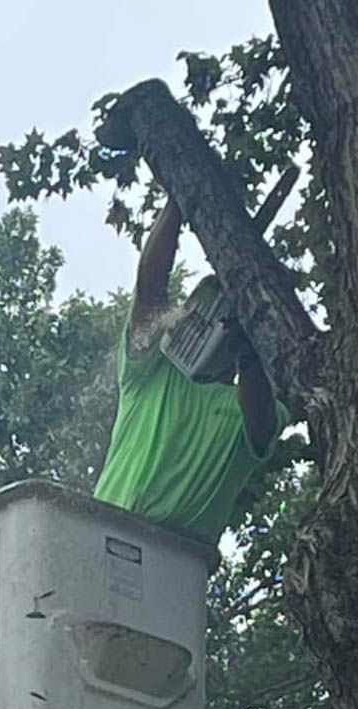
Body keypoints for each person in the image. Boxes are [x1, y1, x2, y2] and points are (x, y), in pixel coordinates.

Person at [94, 198, 287, 544]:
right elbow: (150, 293)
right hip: (105, 534)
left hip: (178, 565)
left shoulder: (255, 406)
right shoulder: (151, 371)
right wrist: (177, 203)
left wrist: (249, 355)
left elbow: (261, 424)